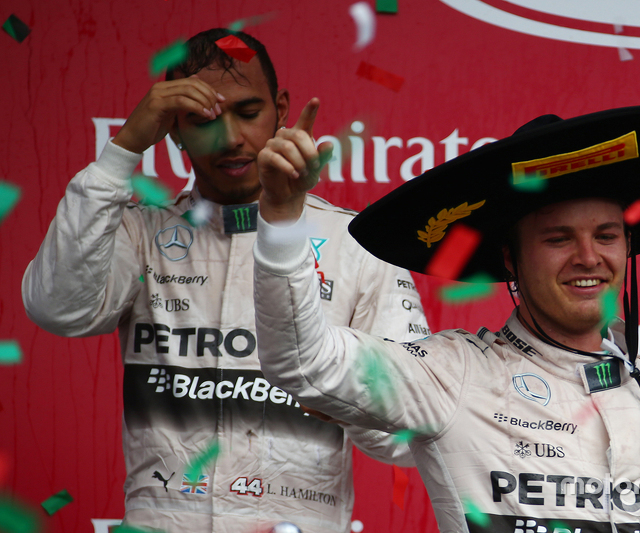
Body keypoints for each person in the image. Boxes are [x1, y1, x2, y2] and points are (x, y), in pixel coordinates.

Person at [251, 104, 640, 532]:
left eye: (607, 235)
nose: (589, 257)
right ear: (510, 258)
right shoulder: (451, 375)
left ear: (628, 245)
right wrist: (281, 218)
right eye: (557, 238)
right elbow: (304, 361)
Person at [22, 28, 429, 533]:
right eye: (202, 120)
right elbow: (57, 308)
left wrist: (334, 388)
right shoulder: (140, 233)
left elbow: (411, 434)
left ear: (281, 108)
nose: (231, 137)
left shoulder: (359, 244)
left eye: (248, 111)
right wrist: (123, 149)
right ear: (171, 129)